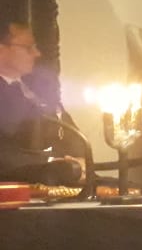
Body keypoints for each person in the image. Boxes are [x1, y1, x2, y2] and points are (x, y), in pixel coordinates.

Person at [0, 20, 85, 184]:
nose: (37, 53)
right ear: (1, 50)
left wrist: (81, 160)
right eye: (28, 48)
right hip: (21, 181)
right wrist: (52, 164)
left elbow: (70, 132)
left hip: (65, 177)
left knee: (128, 188)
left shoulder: (40, 88)